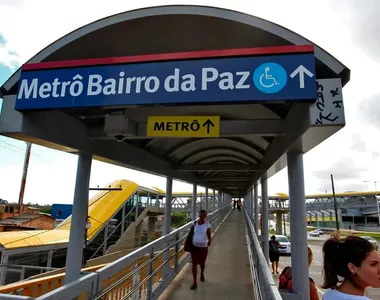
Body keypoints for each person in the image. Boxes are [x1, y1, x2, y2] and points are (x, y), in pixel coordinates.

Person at [190, 210, 212, 290]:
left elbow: (209, 233)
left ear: (205, 216)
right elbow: (191, 233)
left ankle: (202, 273)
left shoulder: (207, 224)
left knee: (202, 263)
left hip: (203, 246)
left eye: (203, 215)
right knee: (194, 264)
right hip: (194, 246)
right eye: (200, 214)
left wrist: (209, 240)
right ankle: (195, 282)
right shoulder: (194, 223)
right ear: (199, 215)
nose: (202, 216)